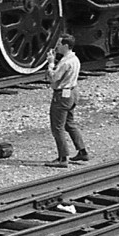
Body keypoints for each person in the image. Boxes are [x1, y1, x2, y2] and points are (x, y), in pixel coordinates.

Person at [45, 34, 89, 167]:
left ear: (65, 45)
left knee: (57, 128)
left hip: (62, 96)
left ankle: (63, 158)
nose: (56, 47)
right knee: (69, 123)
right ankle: (82, 151)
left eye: (59, 44)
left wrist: (50, 63)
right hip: (73, 93)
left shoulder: (65, 62)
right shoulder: (75, 59)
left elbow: (53, 78)